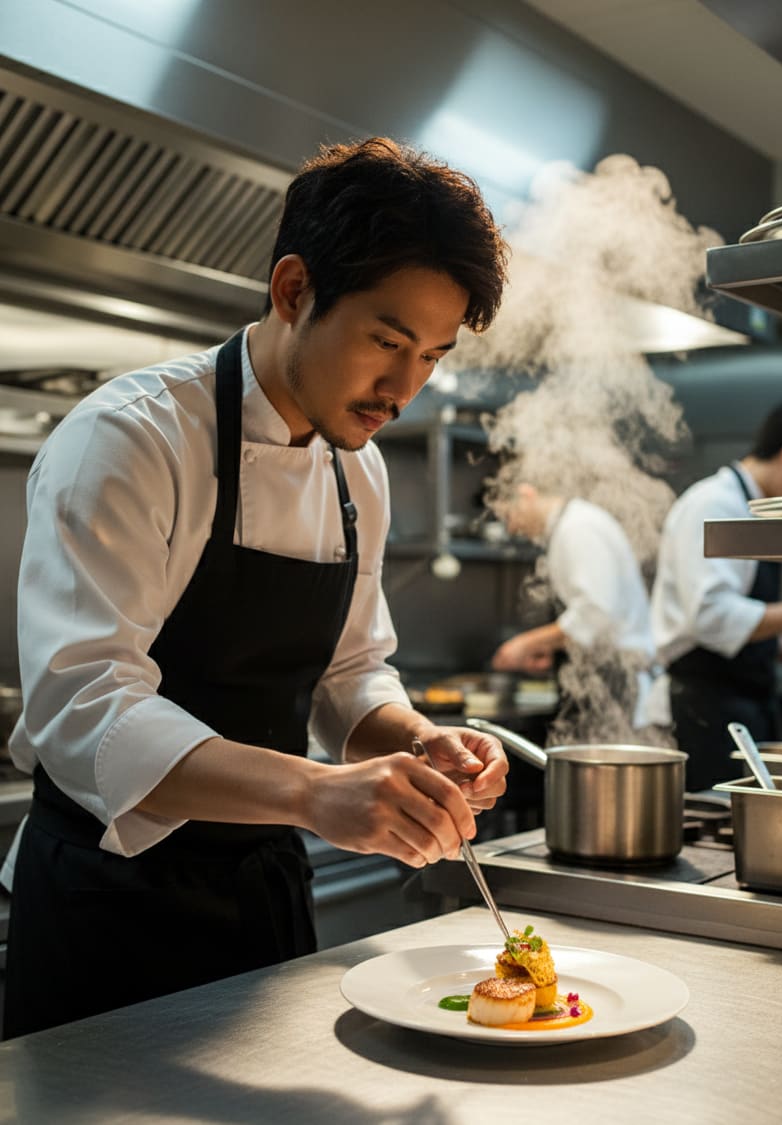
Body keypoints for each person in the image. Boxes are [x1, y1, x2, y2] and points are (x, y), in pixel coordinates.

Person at [2, 137, 511, 1039]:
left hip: (263, 897)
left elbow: (350, 670)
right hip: (106, 907)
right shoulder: (132, 438)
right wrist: (315, 791)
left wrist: (417, 739)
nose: (403, 388)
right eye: (387, 342)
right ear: (292, 289)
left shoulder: (359, 469)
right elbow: (85, 705)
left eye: (431, 357)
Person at [650, 399, 782, 791]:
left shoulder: (752, 508)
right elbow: (710, 617)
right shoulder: (715, 503)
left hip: (737, 706)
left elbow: (737, 623)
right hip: (703, 711)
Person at [490, 482, 658, 738]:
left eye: (507, 517)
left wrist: (525, 644)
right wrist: (551, 648)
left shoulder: (577, 528)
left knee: (603, 761)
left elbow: (596, 612)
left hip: (615, 677)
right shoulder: (571, 526)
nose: (511, 529)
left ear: (525, 495)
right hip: (603, 674)